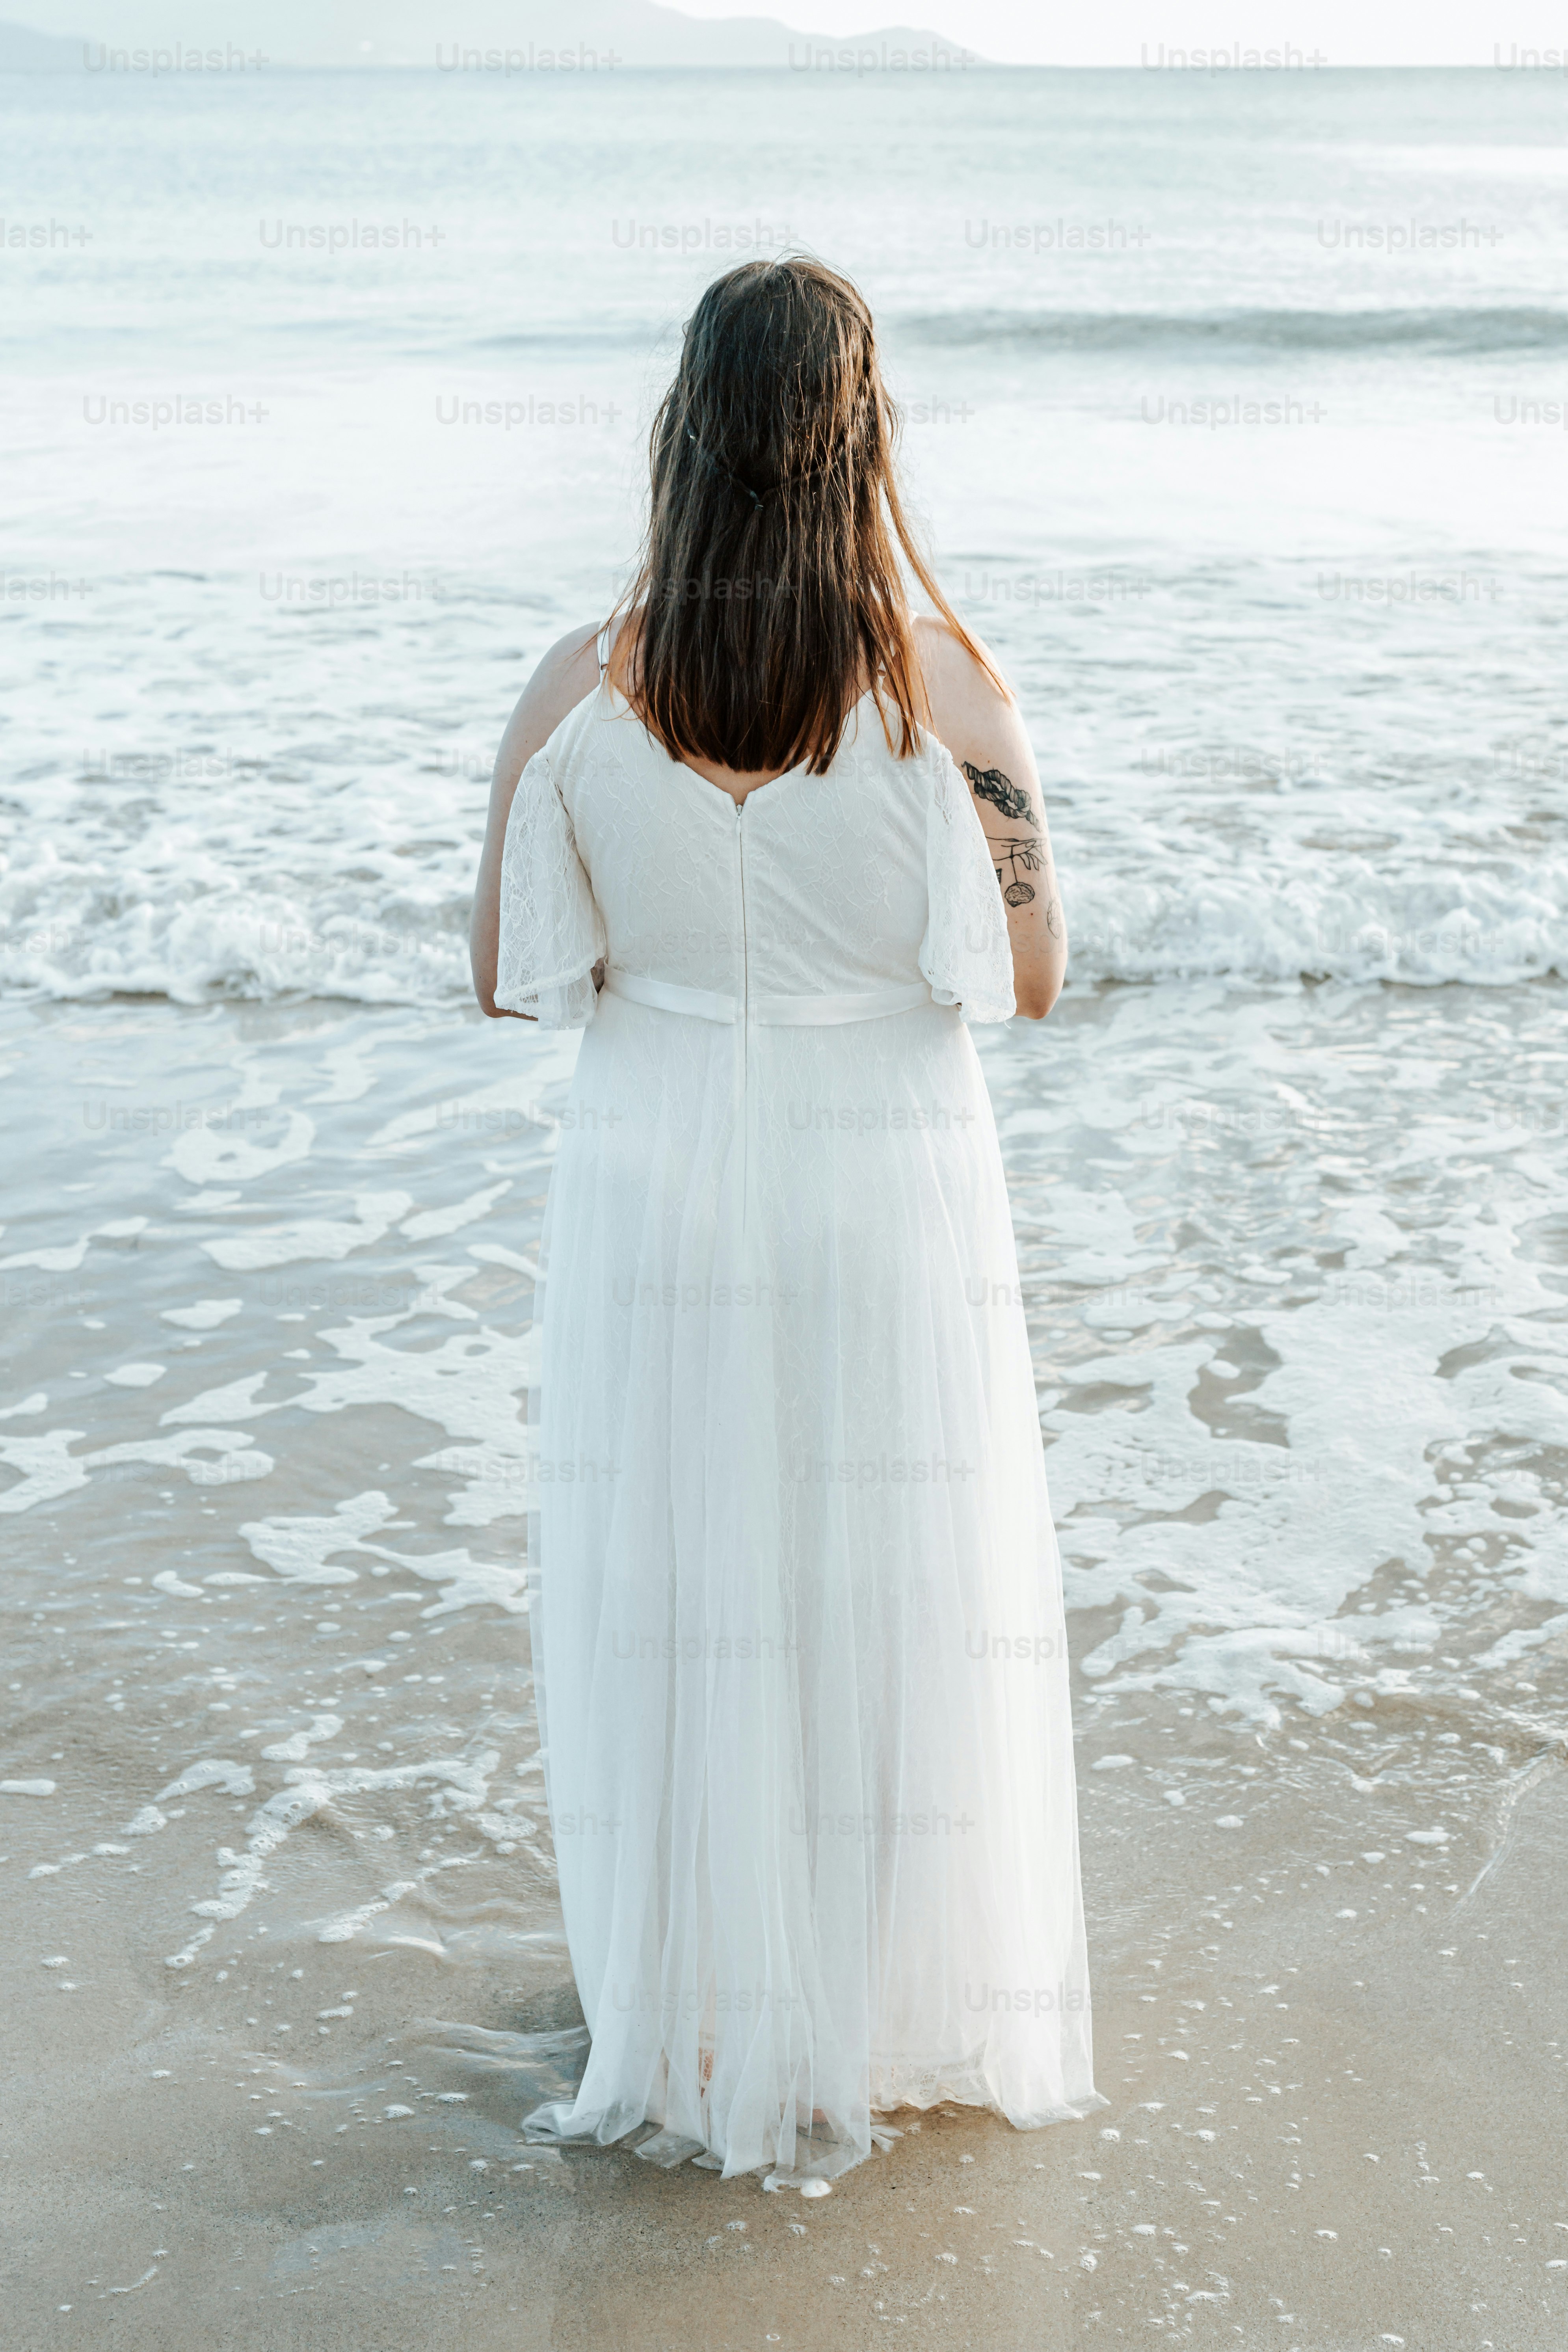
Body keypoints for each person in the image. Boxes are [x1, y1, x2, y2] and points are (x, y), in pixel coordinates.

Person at [469, 256, 1103, 2190]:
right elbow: (1033, 973)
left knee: (683, 1583)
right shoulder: (944, 683)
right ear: (861, 443)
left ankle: (699, 1997)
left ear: (685, 437)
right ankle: (883, 1986)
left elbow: (510, 970)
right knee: (883, 1569)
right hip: (875, 1176)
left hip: (659, 1170)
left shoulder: (585, 679)